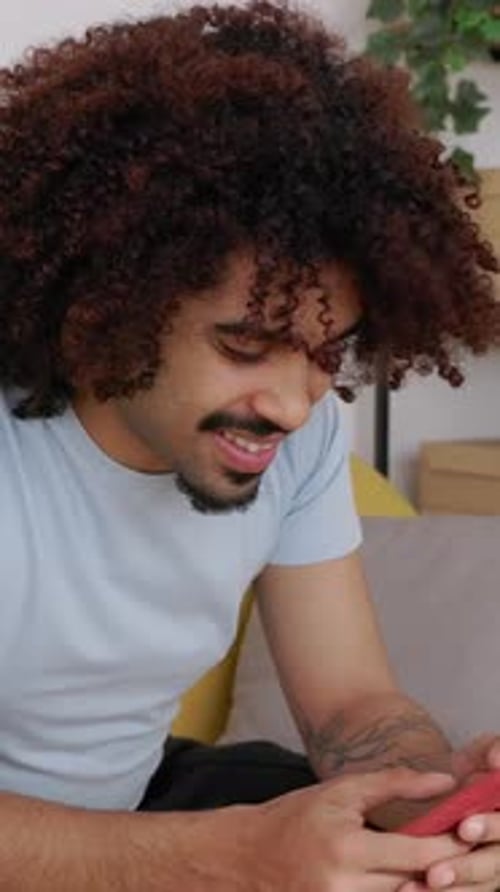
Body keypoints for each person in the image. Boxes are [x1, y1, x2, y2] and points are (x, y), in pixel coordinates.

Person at [0, 1, 499, 889]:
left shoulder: (294, 444)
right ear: (100, 313)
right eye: (242, 348)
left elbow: (352, 706)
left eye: (327, 354)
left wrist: (435, 802)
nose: (295, 407)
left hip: (142, 814)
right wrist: (225, 858)